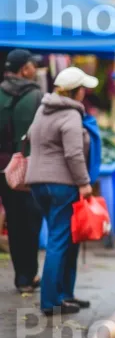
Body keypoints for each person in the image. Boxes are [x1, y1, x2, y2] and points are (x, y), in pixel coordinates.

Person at [26, 67, 98, 316]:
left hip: (37, 183)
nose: (84, 93)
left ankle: (64, 294)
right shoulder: (70, 115)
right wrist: (84, 182)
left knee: (66, 237)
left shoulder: (42, 110)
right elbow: (73, 153)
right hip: (61, 184)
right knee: (59, 240)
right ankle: (50, 301)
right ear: (75, 91)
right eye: (83, 89)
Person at [0, 49, 43, 294]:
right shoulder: (36, 95)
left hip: (3, 168)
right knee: (32, 220)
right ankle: (29, 273)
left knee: (15, 221)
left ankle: (21, 277)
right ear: (24, 69)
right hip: (28, 167)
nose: (34, 69)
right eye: (31, 65)